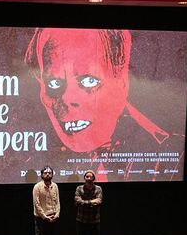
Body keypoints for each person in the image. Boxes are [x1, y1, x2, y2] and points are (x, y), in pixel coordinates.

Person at [24, 27, 171, 157]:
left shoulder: (168, 151)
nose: (67, 98)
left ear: (122, 83)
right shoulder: (30, 159)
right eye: (54, 83)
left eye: (89, 81)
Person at [68, 170, 104, 235]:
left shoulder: (98, 188)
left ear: (94, 178)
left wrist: (85, 202)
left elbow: (99, 202)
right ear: (84, 178)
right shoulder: (79, 188)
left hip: (94, 220)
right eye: (86, 177)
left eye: (90, 177)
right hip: (81, 220)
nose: (88, 178)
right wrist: (91, 202)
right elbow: (77, 202)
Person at [31, 165, 60, 235]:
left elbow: (58, 202)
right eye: (45, 173)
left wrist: (57, 214)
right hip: (41, 219)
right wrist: (45, 217)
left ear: (52, 174)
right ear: (42, 175)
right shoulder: (37, 187)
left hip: (53, 218)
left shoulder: (55, 186)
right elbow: (36, 205)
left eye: (49, 173)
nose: (48, 175)